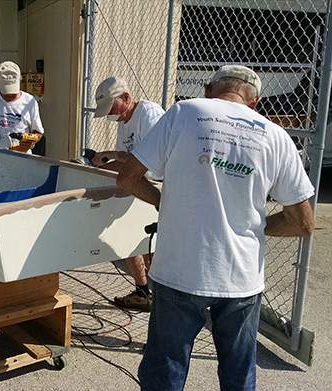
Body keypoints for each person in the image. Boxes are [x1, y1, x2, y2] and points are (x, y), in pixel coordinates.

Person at [116, 65, 315, 390]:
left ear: (209, 90)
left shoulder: (184, 112)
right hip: (241, 278)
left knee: (164, 372)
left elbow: (127, 178)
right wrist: (256, 227)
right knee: (238, 375)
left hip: (179, 271)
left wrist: (162, 202)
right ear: (254, 102)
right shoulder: (275, 135)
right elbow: (303, 223)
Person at [91, 76, 164, 311]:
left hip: (158, 186)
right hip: (138, 184)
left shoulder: (148, 114)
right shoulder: (125, 122)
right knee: (127, 239)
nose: (111, 115)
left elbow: (153, 160)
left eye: (112, 108)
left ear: (126, 97)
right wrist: (99, 163)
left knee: (150, 245)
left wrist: (112, 154)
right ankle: (143, 291)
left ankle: (163, 298)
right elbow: (127, 163)